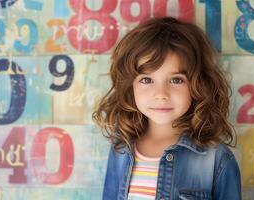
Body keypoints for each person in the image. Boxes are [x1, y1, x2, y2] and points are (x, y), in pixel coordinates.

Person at [92, 16, 241, 200]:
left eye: (176, 80)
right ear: (131, 86)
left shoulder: (216, 159)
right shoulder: (121, 149)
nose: (161, 93)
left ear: (197, 85)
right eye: (147, 80)